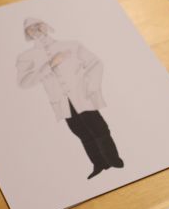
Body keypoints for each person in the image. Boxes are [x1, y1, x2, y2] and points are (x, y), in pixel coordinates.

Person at [15, 17, 124, 179]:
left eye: (38, 25)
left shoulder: (72, 45)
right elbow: (23, 82)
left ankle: (113, 159)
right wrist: (50, 64)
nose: (36, 29)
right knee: (80, 132)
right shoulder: (27, 56)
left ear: (46, 25)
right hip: (62, 102)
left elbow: (95, 63)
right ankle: (99, 163)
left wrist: (90, 86)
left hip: (82, 96)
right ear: (27, 33)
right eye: (31, 28)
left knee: (99, 128)